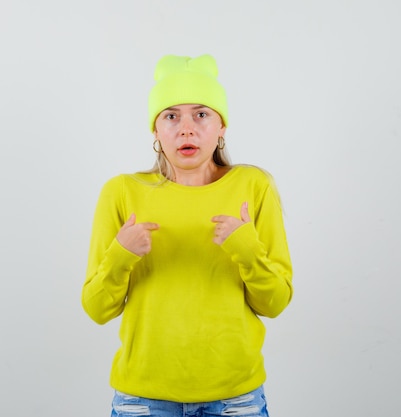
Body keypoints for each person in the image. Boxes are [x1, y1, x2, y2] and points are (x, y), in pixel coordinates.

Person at [81, 54, 293, 417]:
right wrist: (121, 254)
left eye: (201, 114)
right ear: (155, 129)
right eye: (171, 115)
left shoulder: (255, 186)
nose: (186, 129)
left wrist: (245, 247)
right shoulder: (121, 192)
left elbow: (274, 303)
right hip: (143, 398)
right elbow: (98, 309)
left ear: (222, 126)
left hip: (234, 398)